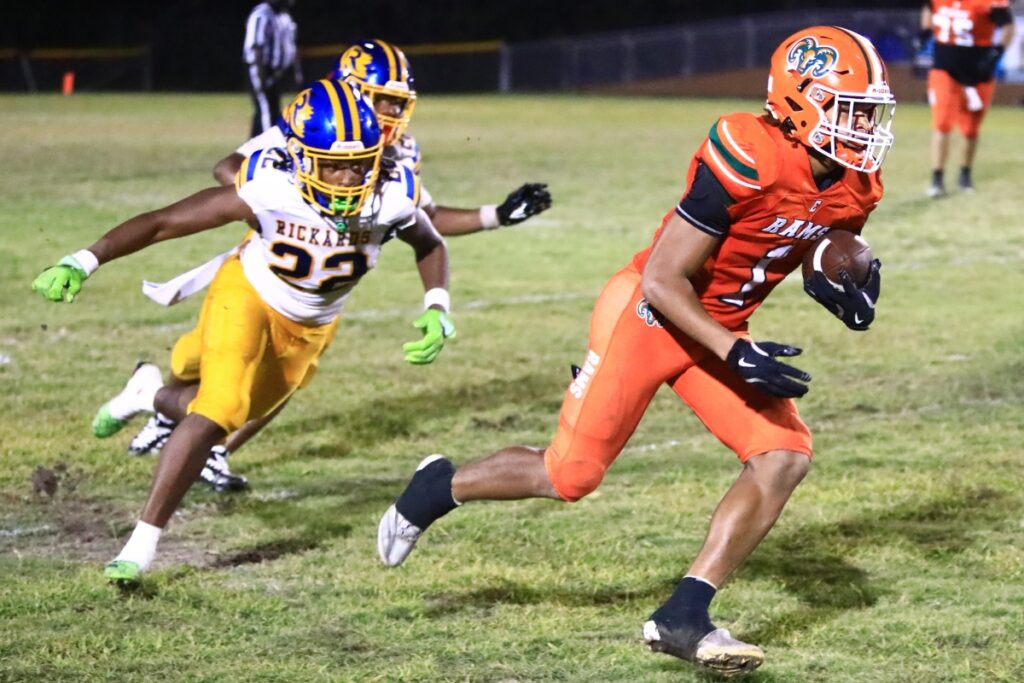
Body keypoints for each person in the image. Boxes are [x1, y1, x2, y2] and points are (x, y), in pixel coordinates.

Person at [377, 26, 893, 676]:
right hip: (651, 313)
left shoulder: (859, 182)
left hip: (718, 328)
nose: (866, 126)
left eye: (872, 111)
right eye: (852, 109)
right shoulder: (748, 150)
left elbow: (823, 244)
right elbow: (662, 279)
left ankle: (684, 613)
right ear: (798, 100)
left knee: (784, 456)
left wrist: (843, 280)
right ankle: (435, 488)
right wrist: (734, 351)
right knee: (571, 475)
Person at [31, 79, 453, 586]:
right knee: (218, 407)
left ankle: (148, 395)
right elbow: (166, 222)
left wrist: (437, 305)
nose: (346, 178)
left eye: (359, 163)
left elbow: (429, 243)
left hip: (312, 326)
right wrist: (84, 259)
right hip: (248, 295)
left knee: (223, 412)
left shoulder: (391, 194)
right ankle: (142, 544)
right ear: (299, 157)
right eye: (332, 164)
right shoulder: (271, 187)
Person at [127, 39, 553, 491]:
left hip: (325, 285)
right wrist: (296, 200)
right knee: (195, 357)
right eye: (384, 99)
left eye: (399, 102)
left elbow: (424, 220)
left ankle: (214, 448)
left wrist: (496, 216)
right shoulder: (316, 124)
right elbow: (228, 167)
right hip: (268, 267)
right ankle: (161, 410)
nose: (392, 111)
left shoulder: (401, 151)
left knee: (284, 378)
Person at [922, 0, 1016, 197]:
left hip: (979, 71)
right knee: (942, 123)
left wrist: (997, 51)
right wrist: (925, 31)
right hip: (945, 68)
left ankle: (965, 174)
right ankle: (937, 178)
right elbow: (928, 8)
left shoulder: (988, 2)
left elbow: (1008, 25)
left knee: (971, 128)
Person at [244, 0, 301, 137]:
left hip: (275, 71)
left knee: (271, 109)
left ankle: (252, 145)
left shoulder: (282, 16)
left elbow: (289, 47)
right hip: (261, 69)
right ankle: (268, 145)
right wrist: (261, 75)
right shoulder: (261, 14)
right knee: (266, 109)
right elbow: (256, 46)